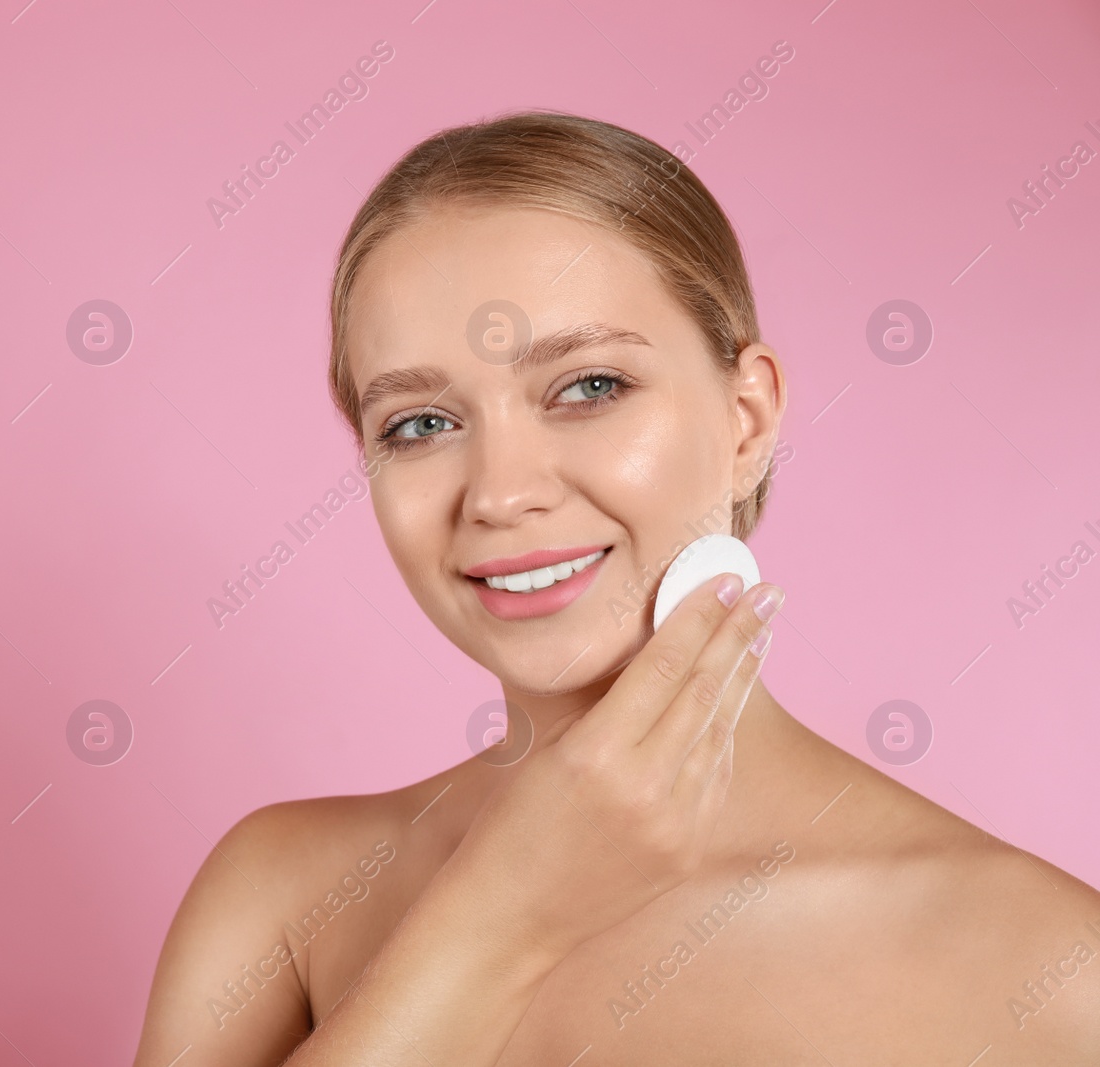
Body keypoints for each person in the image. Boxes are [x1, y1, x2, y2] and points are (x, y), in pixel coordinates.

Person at [130, 111, 1100, 1065]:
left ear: (746, 416)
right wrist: (499, 920)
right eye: (420, 423)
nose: (502, 493)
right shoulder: (285, 893)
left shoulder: (1050, 966)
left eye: (588, 385)